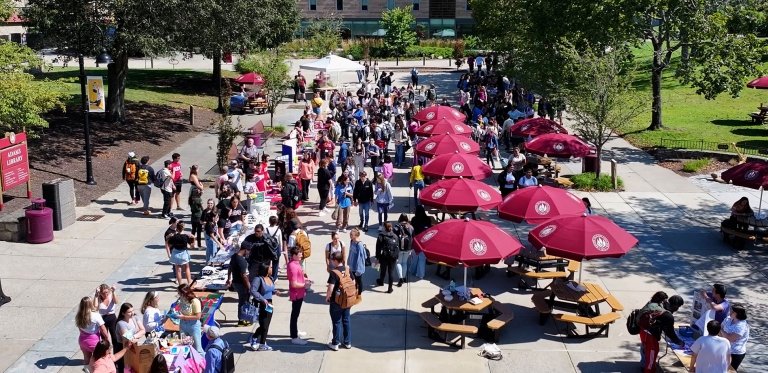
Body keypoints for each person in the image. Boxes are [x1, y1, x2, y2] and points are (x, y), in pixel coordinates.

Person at [638, 292, 685, 373]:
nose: (678, 309)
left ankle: (643, 366)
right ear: (676, 306)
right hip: (649, 335)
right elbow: (670, 333)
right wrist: (679, 342)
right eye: (679, 307)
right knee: (652, 353)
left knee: (645, 349)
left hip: (643, 330)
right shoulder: (668, 315)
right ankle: (649, 370)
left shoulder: (661, 303)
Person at [249, 264, 279, 351]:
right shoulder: (258, 279)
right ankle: (254, 338)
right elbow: (253, 290)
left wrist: (275, 291)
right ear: (265, 269)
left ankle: (262, 343)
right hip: (261, 304)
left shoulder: (270, 278)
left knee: (266, 325)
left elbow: (271, 290)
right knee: (263, 325)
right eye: (270, 268)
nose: (271, 269)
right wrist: (262, 299)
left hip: (269, 304)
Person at [325, 252, 351, 351]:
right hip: (347, 299)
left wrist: (328, 297)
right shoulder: (348, 270)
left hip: (337, 301)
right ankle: (347, 342)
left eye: (332, 260)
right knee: (346, 320)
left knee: (336, 321)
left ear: (336, 260)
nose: (331, 261)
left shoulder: (334, 272)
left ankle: (335, 343)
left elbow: (331, 288)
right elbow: (353, 282)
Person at [76, 296, 110, 372]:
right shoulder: (95, 315)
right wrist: (107, 339)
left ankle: (87, 370)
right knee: (98, 359)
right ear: (90, 304)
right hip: (93, 341)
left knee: (86, 358)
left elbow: (79, 328)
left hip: (82, 340)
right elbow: (103, 329)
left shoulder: (79, 316)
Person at [287, 247, 311, 345]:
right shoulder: (293, 266)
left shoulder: (296, 264)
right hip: (296, 294)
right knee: (294, 315)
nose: (301, 255)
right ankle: (294, 337)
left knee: (296, 314)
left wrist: (305, 280)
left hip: (299, 293)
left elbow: (299, 278)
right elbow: (294, 284)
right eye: (299, 253)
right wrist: (305, 285)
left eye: (301, 252)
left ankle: (295, 331)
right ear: (293, 255)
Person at [226, 244, 251, 326]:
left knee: (243, 300)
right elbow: (244, 275)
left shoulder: (234, 256)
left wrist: (229, 278)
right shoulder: (242, 261)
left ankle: (243, 317)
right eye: (249, 251)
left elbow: (230, 267)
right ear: (246, 250)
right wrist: (249, 287)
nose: (249, 253)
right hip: (241, 284)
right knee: (243, 301)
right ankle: (241, 320)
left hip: (235, 282)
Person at [116, 302, 145, 372]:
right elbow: (127, 338)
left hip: (133, 346)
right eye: (129, 312)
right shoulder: (121, 324)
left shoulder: (135, 318)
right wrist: (137, 336)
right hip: (123, 349)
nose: (132, 313)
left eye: (132, 310)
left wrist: (134, 336)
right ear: (123, 313)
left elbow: (143, 330)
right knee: (124, 369)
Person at [175, 283, 203, 354]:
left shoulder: (195, 301)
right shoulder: (181, 299)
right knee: (184, 347)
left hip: (193, 326)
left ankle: (202, 364)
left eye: (179, 293)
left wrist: (184, 317)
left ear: (184, 293)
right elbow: (175, 307)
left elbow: (198, 316)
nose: (178, 295)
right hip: (183, 325)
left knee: (198, 349)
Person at [720, 304, 749, 371]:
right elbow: (721, 328)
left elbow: (730, 338)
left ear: (737, 313)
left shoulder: (741, 326)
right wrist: (722, 333)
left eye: (732, 311)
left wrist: (722, 331)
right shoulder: (728, 319)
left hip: (735, 353)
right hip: (724, 349)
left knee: (730, 370)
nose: (730, 311)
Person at [93, 284, 120, 355]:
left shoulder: (111, 295)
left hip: (112, 318)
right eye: (103, 293)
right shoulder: (98, 297)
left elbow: (116, 301)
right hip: (102, 319)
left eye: (107, 292)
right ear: (100, 293)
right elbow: (95, 307)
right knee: (104, 338)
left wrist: (113, 292)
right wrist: (96, 295)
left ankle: (116, 354)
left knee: (115, 338)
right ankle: (106, 354)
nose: (106, 294)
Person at [408, 206, 432, 279]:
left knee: (414, 257)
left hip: (416, 240)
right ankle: (420, 274)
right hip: (425, 240)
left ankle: (412, 270)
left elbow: (411, 230)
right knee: (422, 259)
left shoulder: (414, 219)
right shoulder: (428, 219)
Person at [376, 222, 399, 294]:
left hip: (384, 256)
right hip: (393, 257)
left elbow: (378, 248)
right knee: (391, 272)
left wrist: (378, 257)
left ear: (384, 228)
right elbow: (397, 247)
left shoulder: (381, 236)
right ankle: (390, 288)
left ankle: (381, 281)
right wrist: (396, 256)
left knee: (383, 269)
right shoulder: (395, 236)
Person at [392, 214, 414, 287]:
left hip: (399, 248)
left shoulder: (396, 227)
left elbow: (393, 237)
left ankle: (400, 278)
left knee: (398, 263)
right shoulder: (411, 227)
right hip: (408, 248)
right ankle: (404, 277)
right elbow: (413, 237)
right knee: (404, 262)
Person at [347, 228, 367, 297]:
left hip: (358, 267)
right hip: (352, 265)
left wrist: (358, 269)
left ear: (356, 235)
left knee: (359, 281)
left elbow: (361, 257)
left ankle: (359, 294)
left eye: (351, 234)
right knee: (353, 280)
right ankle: (354, 292)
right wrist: (348, 262)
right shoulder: (352, 241)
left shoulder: (359, 245)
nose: (350, 235)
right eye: (350, 234)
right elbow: (350, 252)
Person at [265, 216, 284, 282]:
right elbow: (280, 241)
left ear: (269, 221)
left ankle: (267, 275)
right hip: (276, 248)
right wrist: (281, 249)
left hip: (268, 248)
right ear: (276, 222)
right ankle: (274, 277)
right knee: (275, 263)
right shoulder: (278, 230)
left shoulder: (266, 229)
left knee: (267, 263)